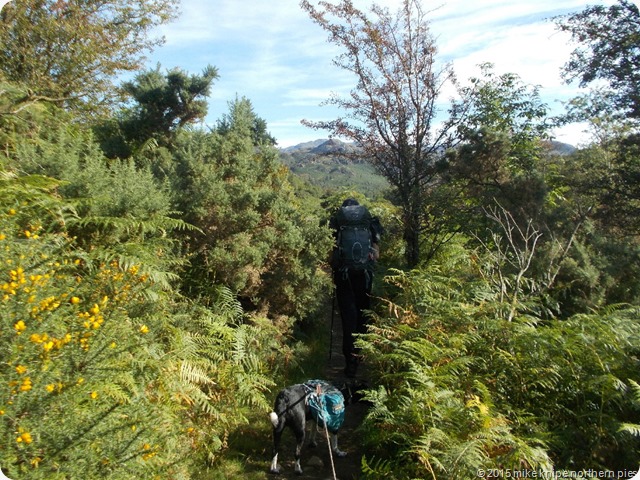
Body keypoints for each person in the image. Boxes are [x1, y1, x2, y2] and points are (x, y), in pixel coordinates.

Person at [329, 198, 383, 378]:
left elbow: (331, 251)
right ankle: (362, 354)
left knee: (348, 316)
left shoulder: (337, 222)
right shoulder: (370, 223)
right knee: (363, 313)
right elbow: (376, 254)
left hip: (343, 275)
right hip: (365, 274)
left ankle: (349, 363)